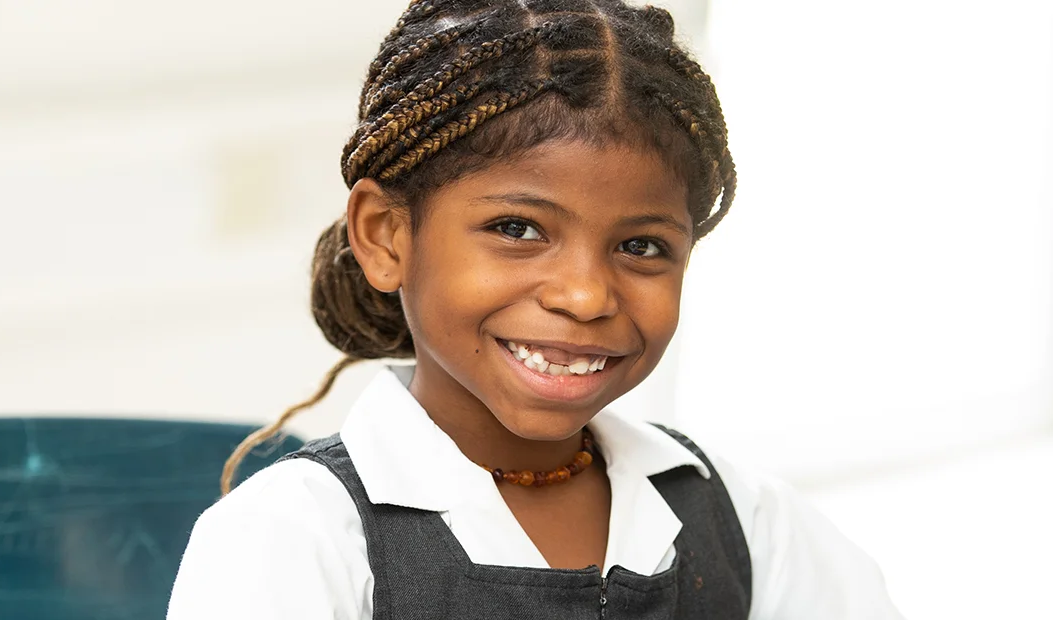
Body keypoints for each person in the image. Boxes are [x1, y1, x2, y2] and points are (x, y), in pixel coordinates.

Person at [168, 1, 902, 617]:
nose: (585, 297)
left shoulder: (742, 522)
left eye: (642, 246)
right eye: (517, 230)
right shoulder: (295, 539)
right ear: (386, 236)